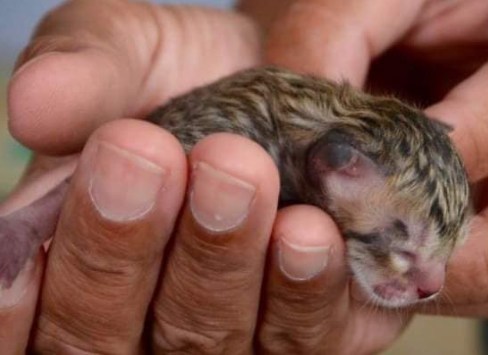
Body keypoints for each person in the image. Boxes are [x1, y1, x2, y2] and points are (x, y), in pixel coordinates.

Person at [2, 0, 488, 353]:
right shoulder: (234, 127)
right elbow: (87, 176)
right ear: (337, 166)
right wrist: (25, 228)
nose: (432, 284)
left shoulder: (342, 169)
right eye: (401, 243)